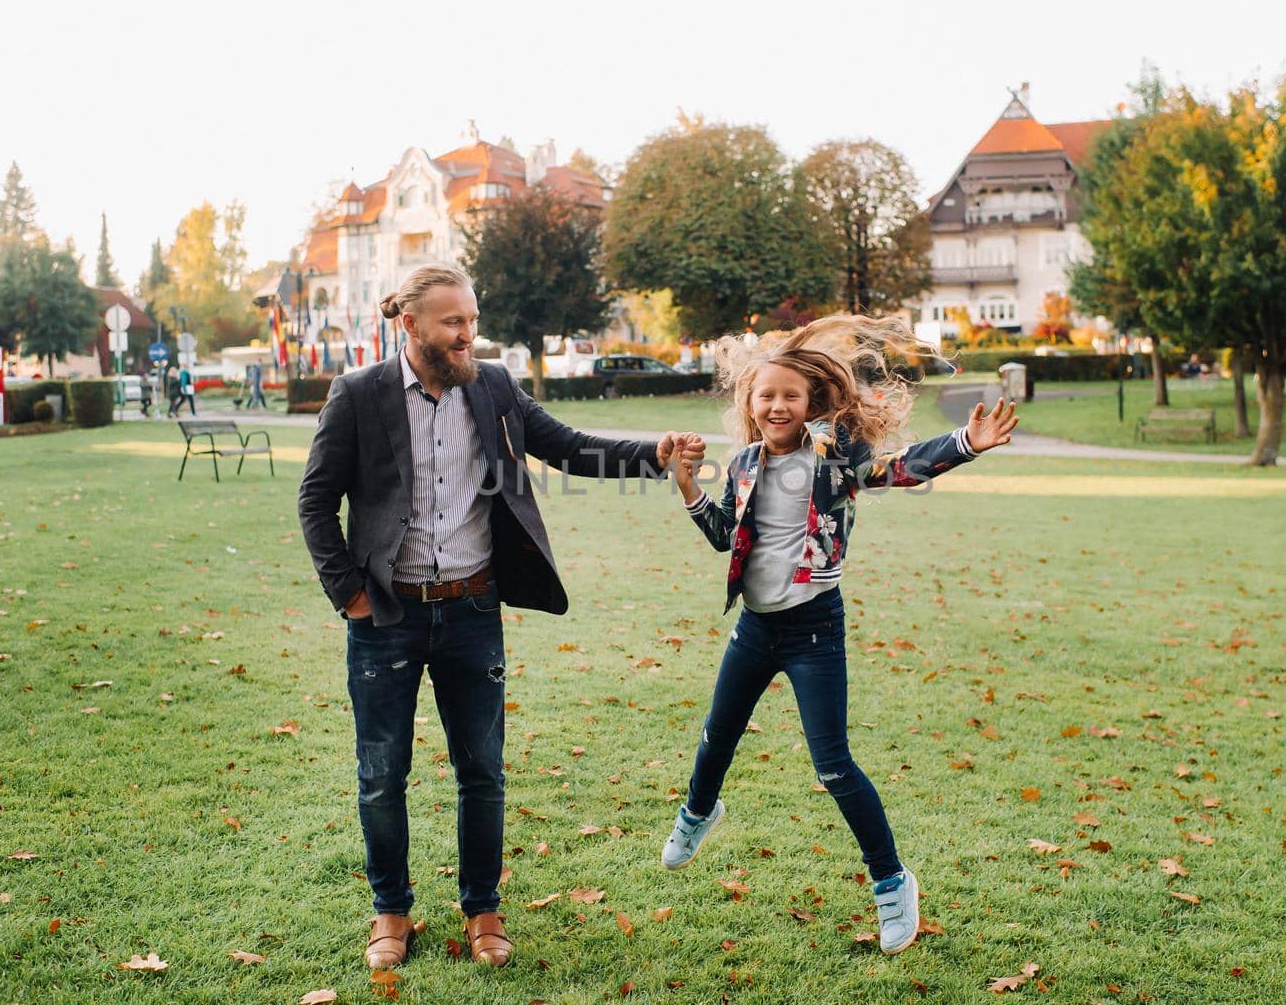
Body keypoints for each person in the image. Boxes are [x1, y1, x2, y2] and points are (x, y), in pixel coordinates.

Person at [298, 264, 702, 972]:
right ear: (411, 324)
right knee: (381, 773)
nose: (468, 335)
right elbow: (315, 500)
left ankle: (482, 907)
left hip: (472, 609)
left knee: (481, 771)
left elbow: (569, 445)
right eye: (454, 323)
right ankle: (390, 910)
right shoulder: (358, 395)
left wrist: (653, 454)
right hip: (386, 617)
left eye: (473, 321)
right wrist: (351, 596)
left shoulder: (492, 386)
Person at [663, 315, 1018, 956]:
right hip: (754, 628)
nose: (776, 405)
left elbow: (899, 468)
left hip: (813, 630)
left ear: (810, 405)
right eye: (765, 396)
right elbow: (725, 536)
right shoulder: (743, 464)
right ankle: (697, 813)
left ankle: (891, 882)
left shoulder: (834, 457)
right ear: (750, 403)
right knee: (717, 737)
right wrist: (688, 485)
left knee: (832, 765)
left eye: (790, 397)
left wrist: (965, 442)